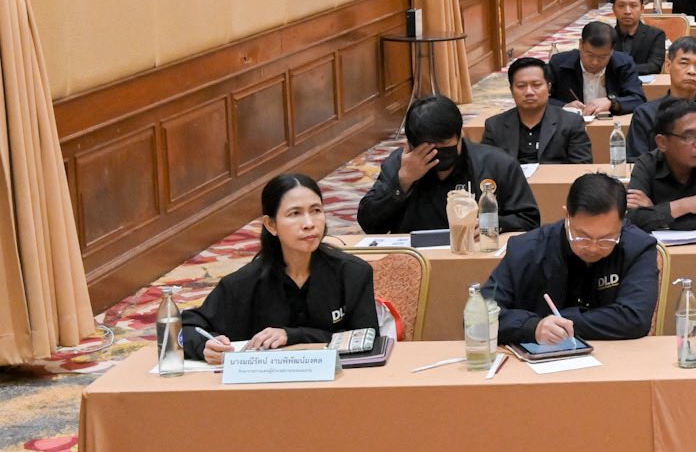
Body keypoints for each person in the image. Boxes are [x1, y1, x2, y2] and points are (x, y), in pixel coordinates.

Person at [181, 173, 378, 361]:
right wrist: (204, 345)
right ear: (271, 225)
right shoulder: (242, 284)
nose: (309, 223)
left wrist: (292, 335)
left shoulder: (353, 273)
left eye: (316, 211)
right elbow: (185, 328)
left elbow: (367, 339)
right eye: (295, 213)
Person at [483, 173, 659, 343]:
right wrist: (532, 327)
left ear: (622, 222)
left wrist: (560, 322)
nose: (593, 248)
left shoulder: (638, 248)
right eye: (582, 237)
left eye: (606, 239)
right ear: (566, 216)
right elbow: (482, 315)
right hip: (541, 357)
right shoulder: (526, 249)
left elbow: (635, 318)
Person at [358, 95, 540, 234]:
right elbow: (370, 225)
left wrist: (493, 224)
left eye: (443, 145)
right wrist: (403, 181)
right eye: (427, 148)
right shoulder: (399, 164)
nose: (436, 153)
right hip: (417, 260)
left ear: (460, 135)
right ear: (410, 145)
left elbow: (529, 220)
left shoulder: (497, 163)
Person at [625, 97, 696, 233]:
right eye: (688, 136)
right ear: (662, 143)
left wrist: (657, 212)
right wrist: (685, 205)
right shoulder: (646, 164)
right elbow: (631, 219)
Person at [483, 57, 595, 165]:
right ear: (511, 90)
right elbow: (486, 167)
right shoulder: (494, 125)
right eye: (521, 86)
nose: (529, 92)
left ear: (548, 88)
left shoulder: (571, 122)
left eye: (536, 85)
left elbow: (582, 166)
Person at [547, 21, 647, 117]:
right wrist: (564, 106)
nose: (595, 62)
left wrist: (611, 102)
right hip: (570, 125)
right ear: (580, 45)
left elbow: (638, 99)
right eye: (589, 54)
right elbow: (544, 99)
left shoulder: (624, 64)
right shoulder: (559, 64)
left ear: (612, 51)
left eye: (603, 57)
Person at [610, 0, 667, 76]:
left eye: (633, 6)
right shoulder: (607, 36)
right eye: (621, 6)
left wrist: (621, 69)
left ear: (642, 9)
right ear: (613, 9)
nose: (627, 11)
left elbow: (654, 66)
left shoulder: (656, 35)